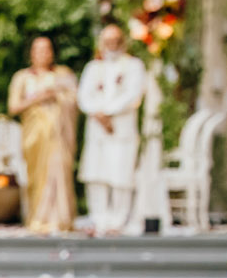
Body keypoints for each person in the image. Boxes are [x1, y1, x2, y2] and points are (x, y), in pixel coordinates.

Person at [77, 21, 159, 235]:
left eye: (115, 41)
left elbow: (133, 95)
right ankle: (99, 218)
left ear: (122, 42)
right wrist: (100, 114)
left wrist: (109, 112)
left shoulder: (134, 65)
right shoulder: (93, 67)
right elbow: (83, 96)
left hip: (121, 129)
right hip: (97, 129)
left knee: (121, 175)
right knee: (96, 175)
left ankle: (117, 220)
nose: (111, 45)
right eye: (107, 41)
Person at [9, 34, 77, 232]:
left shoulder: (63, 74)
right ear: (31, 53)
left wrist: (57, 95)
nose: (43, 54)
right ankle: (38, 218)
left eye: (47, 49)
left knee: (60, 172)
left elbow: (74, 100)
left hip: (59, 134)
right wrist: (40, 97)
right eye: (38, 49)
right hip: (35, 136)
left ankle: (62, 218)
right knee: (37, 175)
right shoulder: (22, 77)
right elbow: (14, 107)